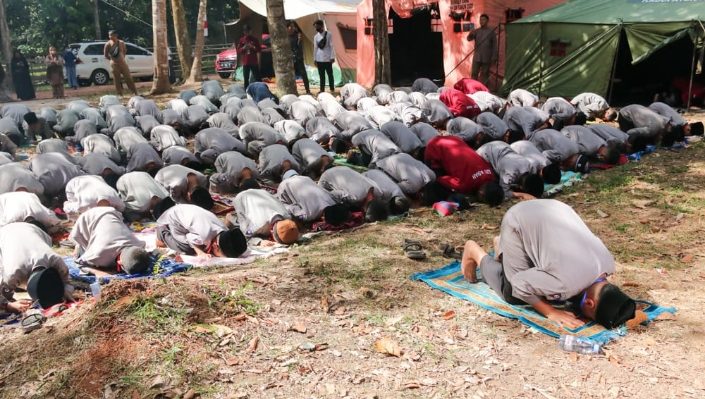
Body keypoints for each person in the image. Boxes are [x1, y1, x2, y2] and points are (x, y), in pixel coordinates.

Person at [460, 199, 636, 329]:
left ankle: (504, 248)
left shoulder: (608, 264)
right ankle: (475, 251)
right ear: (589, 304)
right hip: (519, 220)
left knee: (542, 284)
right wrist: (550, 312)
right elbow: (519, 284)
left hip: (555, 208)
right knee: (512, 294)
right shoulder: (564, 285)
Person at [0, 222, 72, 312]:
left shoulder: (55, 260)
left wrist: (65, 293)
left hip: (30, 228)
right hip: (4, 235)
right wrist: (8, 305)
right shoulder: (11, 275)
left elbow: (66, 281)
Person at [424, 135, 503, 206]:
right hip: (435, 147)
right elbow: (441, 179)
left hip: (454, 139)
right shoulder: (465, 184)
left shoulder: (491, 174)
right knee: (435, 182)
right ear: (481, 194)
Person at [70, 207, 151, 274]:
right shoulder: (99, 255)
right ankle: (78, 246)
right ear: (119, 263)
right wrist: (98, 272)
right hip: (86, 219)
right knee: (83, 251)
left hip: (110, 212)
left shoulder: (138, 244)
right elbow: (79, 263)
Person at [156, 204, 248, 259]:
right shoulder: (205, 235)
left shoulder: (223, 230)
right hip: (171, 219)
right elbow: (189, 237)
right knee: (187, 249)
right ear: (216, 246)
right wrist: (200, 252)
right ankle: (161, 234)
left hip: (184, 212)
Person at [476, 141, 544, 200]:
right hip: (484, 153)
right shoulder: (510, 173)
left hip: (500, 145)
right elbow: (503, 192)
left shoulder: (530, 166)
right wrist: (522, 194)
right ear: (522, 188)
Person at [233, 189, 300, 244]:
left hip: (261, 192)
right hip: (241, 198)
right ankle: (230, 220)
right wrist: (259, 242)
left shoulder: (286, 215)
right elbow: (246, 236)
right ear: (271, 231)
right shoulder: (258, 225)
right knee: (243, 225)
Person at [104, 30, 138, 96]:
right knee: (117, 79)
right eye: (109, 35)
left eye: (111, 35)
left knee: (128, 77)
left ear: (116, 35)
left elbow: (124, 51)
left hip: (123, 63)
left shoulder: (121, 43)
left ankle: (134, 92)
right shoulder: (107, 44)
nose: (110, 36)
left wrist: (121, 58)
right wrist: (112, 60)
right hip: (114, 64)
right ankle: (120, 94)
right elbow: (105, 55)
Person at [466, 14, 497, 87]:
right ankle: (473, 88)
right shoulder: (476, 31)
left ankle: (484, 90)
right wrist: (471, 33)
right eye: (480, 20)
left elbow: (495, 46)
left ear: (487, 21)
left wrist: (494, 57)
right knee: (474, 73)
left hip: (487, 57)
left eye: (483, 19)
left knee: (485, 74)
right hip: (477, 56)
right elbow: (469, 39)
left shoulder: (491, 32)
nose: (481, 21)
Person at [287, 22, 310, 94]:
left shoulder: (297, 35)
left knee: (303, 73)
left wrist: (299, 40)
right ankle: (292, 90)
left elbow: (299, 47)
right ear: (287, 28)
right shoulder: (285, 37)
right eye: (291, 26)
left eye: (293, 26)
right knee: (291, 75)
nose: (292, 28)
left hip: (298, 57)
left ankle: (308, 90)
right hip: (290, 58)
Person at [313, 20, 335, 93]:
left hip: (328, 58)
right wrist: (314, 59)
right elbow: (315, 48)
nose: (316, 28)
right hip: (319, 58)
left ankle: (332, 89)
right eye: (315, 27)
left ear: (322, 26)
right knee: (321, 75)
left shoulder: (329, 34)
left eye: (317, 26)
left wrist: (332, 57)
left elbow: (331, 46)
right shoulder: (316, 36)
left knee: (330, 74)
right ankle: (322, 90)